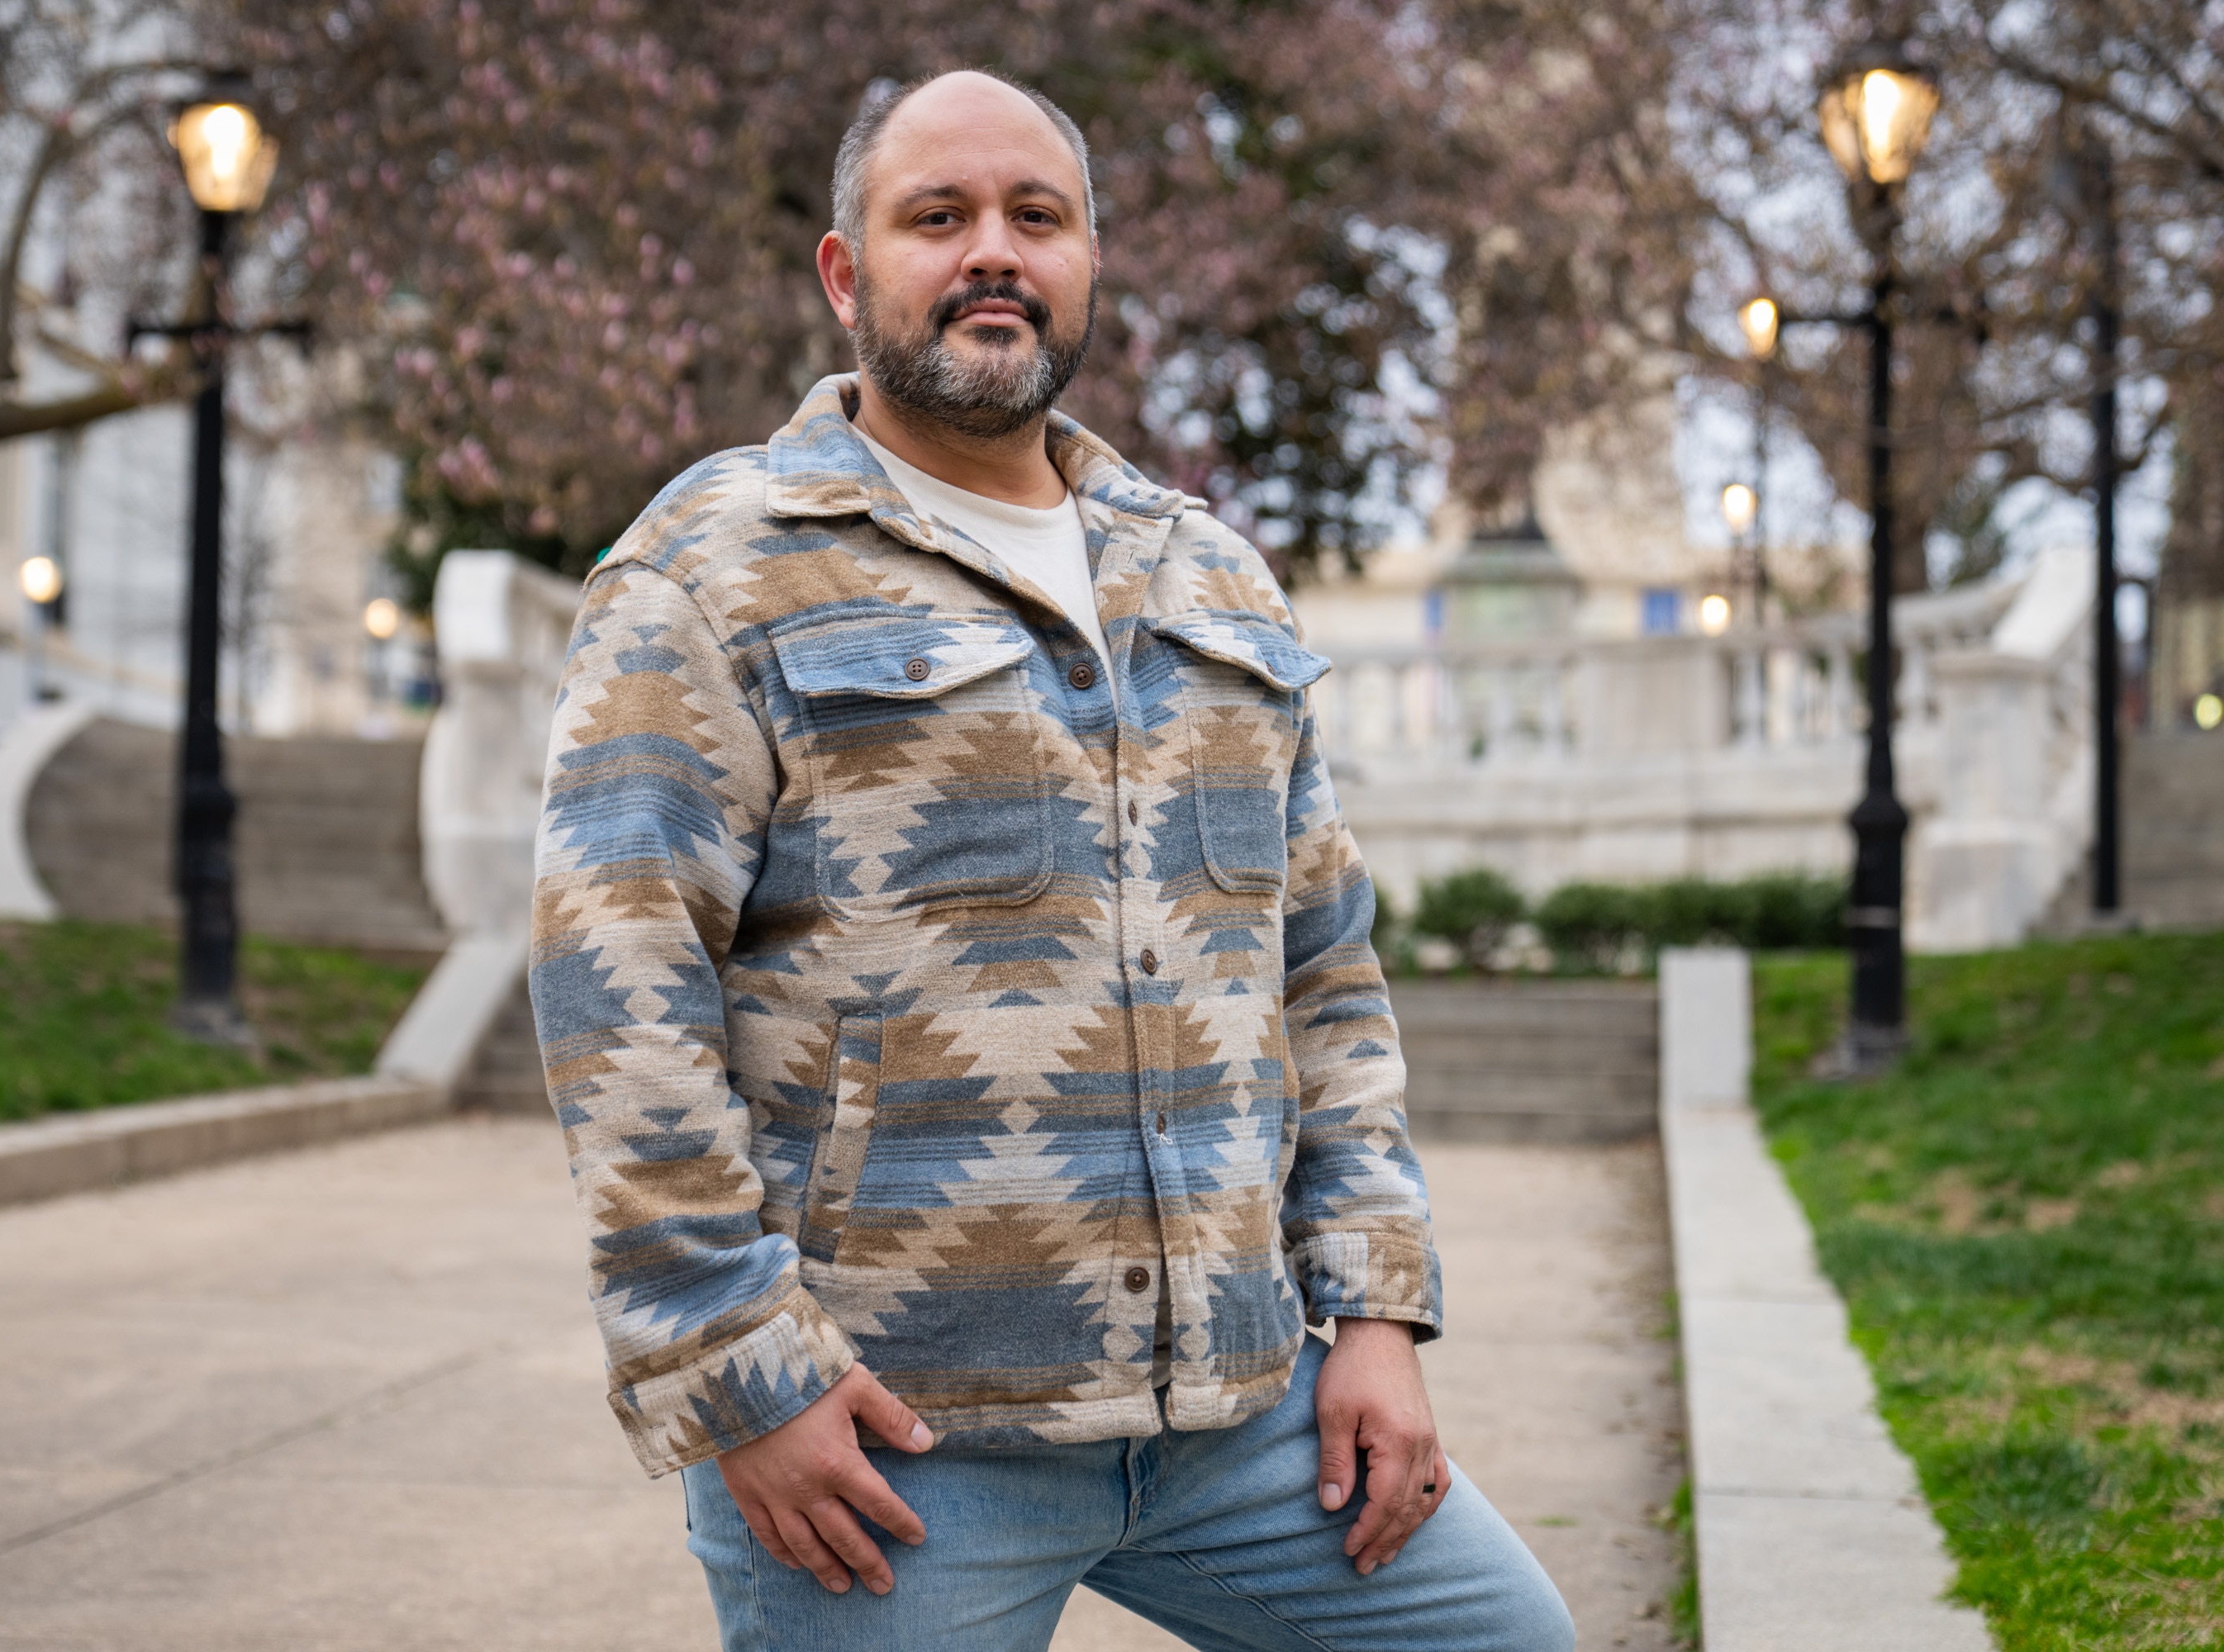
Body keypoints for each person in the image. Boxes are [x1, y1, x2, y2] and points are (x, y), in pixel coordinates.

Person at [531, 67, 1574, 1652]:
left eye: (1039, 216)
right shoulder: (713, 567)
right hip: (896, 1445)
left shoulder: (1207, 570)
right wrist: (739, 1378)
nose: (992, 252)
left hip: (1248, 1414)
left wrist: (1373, 1314)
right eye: (935, 217)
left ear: (1091, 260)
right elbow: (619, 988)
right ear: (845, 273)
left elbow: (1325, 975)